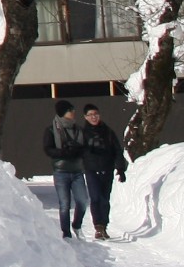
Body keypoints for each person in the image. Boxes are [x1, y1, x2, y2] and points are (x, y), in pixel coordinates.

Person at [77, 104, 129, 240]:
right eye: (90, 115)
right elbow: (77, 152)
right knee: (95, 198)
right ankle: (98, 227)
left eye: (95, 114)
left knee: (105, 199)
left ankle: (104, 226)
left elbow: (117, 150)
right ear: (85, 117)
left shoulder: (108, 132)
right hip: (91, 169)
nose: (93, 117)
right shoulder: (82, 133)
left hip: (107, 169)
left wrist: (121, 168)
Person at [42, 100, 89, 239]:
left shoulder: (79, 130)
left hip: (77, 171)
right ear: (63, 112)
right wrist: (64, 152)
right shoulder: (51, 130)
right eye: (70, 110)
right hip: (61, 171)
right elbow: (48, 149)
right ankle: (66, 233)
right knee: (64, 204)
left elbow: (86, 148)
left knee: (82, 201)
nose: (74, 112)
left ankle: (77, 225)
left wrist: (77, 150)